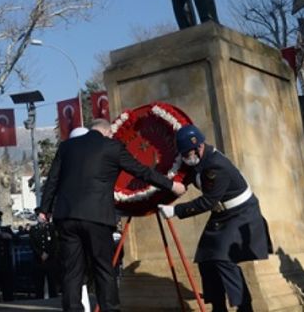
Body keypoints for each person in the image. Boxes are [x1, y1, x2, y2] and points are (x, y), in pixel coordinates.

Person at [40, 119, 186, 312]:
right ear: (108, 132)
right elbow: (141, 171)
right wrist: (171, 185)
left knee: (72, 271)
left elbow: (52, 180)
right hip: (97, 216)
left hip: (66, 216)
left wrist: (44, 209)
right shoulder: (112, 147)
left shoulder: (67, 147)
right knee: (103, 268)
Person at [157, 125, 272, 312]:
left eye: (188, 153)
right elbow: (184, 178)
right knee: (206, 259)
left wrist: (176, 210)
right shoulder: (196, 161)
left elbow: (208, 201)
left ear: (199, 147)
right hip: (222, 215)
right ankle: (218, 307)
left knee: (223, 258)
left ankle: (245, 307)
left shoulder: (216, 165)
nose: (186, 158)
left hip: (241, 214)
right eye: (183, 154)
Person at [29, 208, 59, 299]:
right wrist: (40, 254)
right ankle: (39, 299)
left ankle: (53, 299)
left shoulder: (51, 228)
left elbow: (54, 242)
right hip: (38, 260)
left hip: (50, 259)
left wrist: (47, 253)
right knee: (39, 283)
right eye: (41, 215)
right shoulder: (34, 229)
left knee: (52, 282)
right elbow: (32, 244)